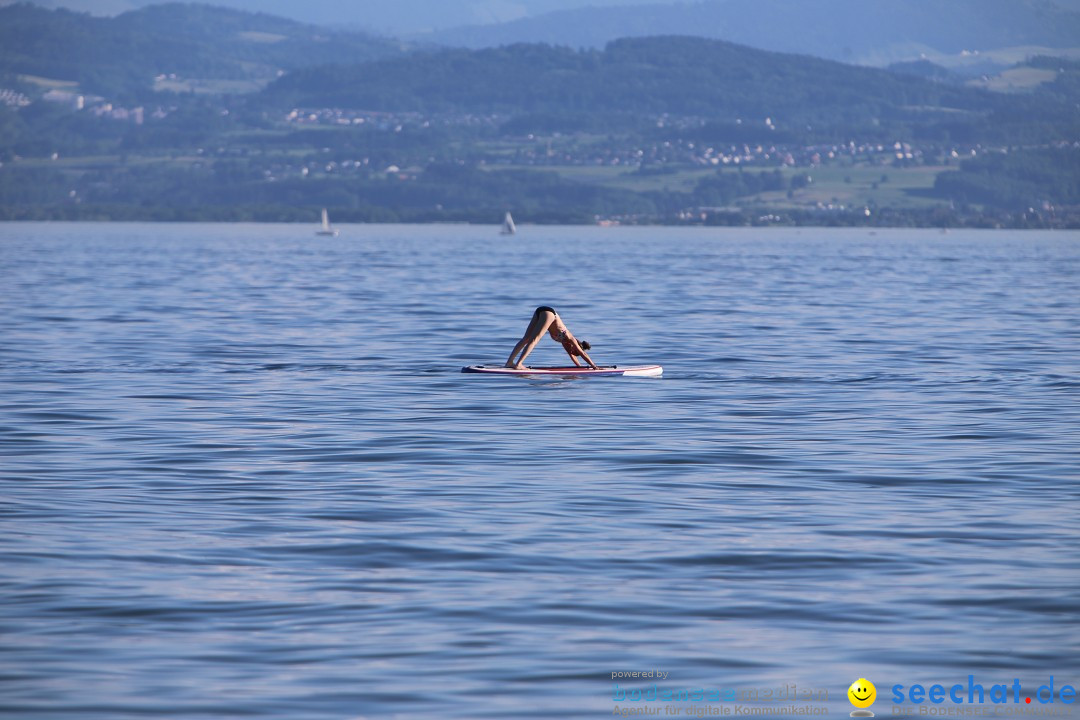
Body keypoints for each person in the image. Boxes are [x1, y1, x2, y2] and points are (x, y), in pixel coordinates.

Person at [505, 306, 599, 370]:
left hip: (541, 311)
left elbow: (572, 356)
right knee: (533, 340)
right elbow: (582, 353)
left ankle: (510, 363)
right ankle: (517, 364)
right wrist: (594, 366)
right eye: (574, 350)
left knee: (526, 339)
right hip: (550, 314)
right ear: (576, 347)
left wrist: (580, 367)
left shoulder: (565, 343)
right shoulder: (571, 339)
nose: (571, 351)